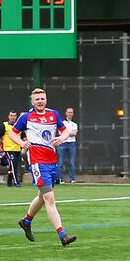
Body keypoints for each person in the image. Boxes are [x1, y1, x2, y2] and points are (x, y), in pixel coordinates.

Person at [12, 88, 76, 247]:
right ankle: (62, 235)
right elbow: (12, 134)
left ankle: (26, 221)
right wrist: (22, 143)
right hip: (37, 161)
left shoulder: (54, 114)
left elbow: (65, 131)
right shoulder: (26, 117)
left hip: (52, 161)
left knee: (42, 196)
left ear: (46, 100)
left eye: (42, 98)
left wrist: (61, 138)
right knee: (49, 198)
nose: (40, 101)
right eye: (37, 99)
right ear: (32, 101)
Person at [0, 110, 23, 187]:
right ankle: (16, 181)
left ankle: (9, 182)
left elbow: (23, 137)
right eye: (11, 116)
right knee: (13, 164)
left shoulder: (19, 126)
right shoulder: (4, 125)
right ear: (8, 116)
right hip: (8, 149)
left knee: (13, 165)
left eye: (14, 116)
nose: (13, 117)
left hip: (17, 148)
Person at [56, 107, 79, 184]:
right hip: (62, 144)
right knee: (61, 162)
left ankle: (72, 179)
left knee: (71, 162)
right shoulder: (62, 123)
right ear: (66, 113)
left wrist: (66, 133)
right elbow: (60, 133)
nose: (70, 114)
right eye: (69, 112)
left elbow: (74, 133)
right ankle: (60, 179)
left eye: (71, 112)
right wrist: (69, 133)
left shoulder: (74, 124)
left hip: (71, 144)